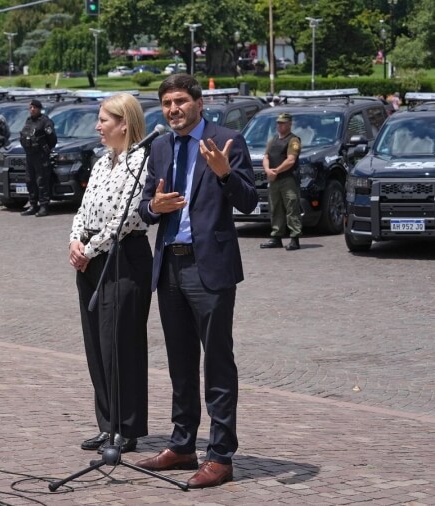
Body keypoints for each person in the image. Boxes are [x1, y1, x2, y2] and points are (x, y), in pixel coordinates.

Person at [135, 74, 258, 489]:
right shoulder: (160, 145)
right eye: (167, 103)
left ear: (199, 103)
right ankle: (183, 443)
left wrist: (224, 173)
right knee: (180, 362)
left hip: (211, 269)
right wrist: (153, 205)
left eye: (181, 101)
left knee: (217, 362)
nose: (174, 110)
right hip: (169, 265)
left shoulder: (228, 140)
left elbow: (248, 200)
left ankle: (221, 456)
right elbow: (146, 206)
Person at [68, 93, 152, 455]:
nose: (97, 126)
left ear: (125, 124)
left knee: (120, 345)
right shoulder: (103, 162)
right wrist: (74, 239)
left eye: (104, 120)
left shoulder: (141, 162)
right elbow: (83, 208)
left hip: (123, 257)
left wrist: (90, 248)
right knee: (97, 346)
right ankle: (106, 424)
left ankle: (127, 428)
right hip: (90, 258)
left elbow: (127, 217)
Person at [260, 112, 302, 250]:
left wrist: (276, 171)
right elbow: (266, 156)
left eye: (283, 123)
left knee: (291, 208)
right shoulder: (273, 140)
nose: (280, 125)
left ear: (290, 124)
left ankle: (294, 238)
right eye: (278, 123)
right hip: (274, 180)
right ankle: (276, 237)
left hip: (287, 179)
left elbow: (291, 160)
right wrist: (268, 170)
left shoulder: (293, 140)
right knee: (275, 208)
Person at [19, 99, 57, 217]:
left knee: (41, 181)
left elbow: (52, 139)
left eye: (34, 107)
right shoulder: (29, 121)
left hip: (41, 156)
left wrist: (45, 149)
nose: (32, 110)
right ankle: (33, 205)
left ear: (39, 108)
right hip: (30, 155)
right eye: (30, 107)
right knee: (30, 180)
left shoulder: (45, 122)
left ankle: (44, 206)